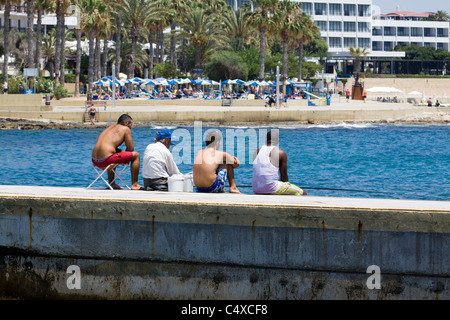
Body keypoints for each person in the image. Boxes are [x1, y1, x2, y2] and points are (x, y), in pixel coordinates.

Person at [91, 114, 142, 190]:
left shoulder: (110, 127)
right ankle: (135, 185)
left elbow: (108, 147)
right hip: (106, 161)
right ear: (126, 123)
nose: (131, 127)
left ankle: (112, 184)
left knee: (114, 153)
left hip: (95, 161)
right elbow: (130, 149)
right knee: (136, 155)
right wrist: (125, 158)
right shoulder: (125, 129)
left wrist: (122, 153)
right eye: (131, 124)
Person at [252, 130, 306, 196]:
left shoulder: (256, 151)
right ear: (277, 141)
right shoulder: (280, 153)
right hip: (271, 188)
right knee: (302, 193)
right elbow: (284, 178)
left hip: (256, 188)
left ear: (266, 140)